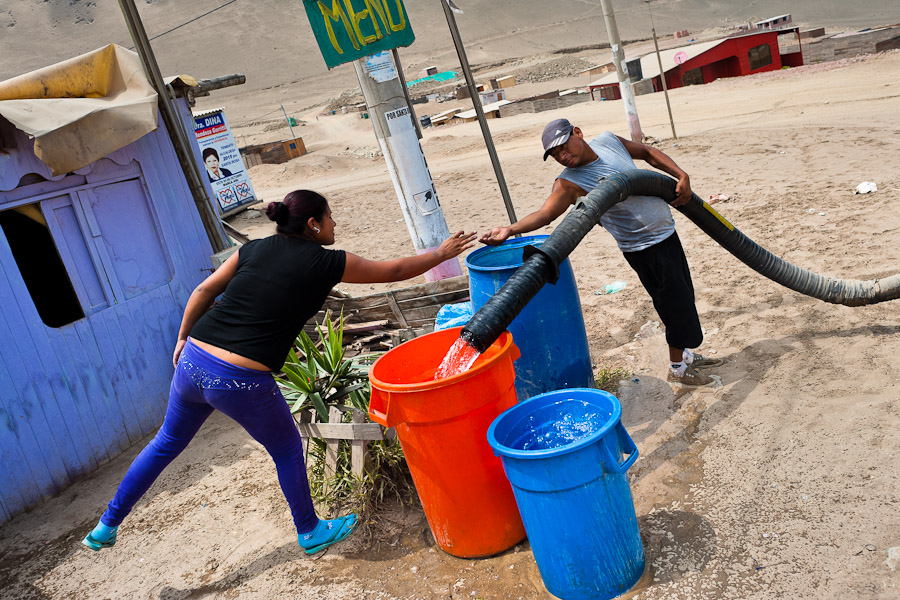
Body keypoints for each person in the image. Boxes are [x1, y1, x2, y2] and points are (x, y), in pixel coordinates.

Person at [82, 190, 476, 554]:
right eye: (331, 218)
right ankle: (310, 532)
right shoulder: (328, 261)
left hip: (193, 361)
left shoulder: (252, 249)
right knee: (286, 448)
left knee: (164, 443)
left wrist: (182, 339)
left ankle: (106, 525)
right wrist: (442, 254)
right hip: (240, 379)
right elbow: (393, 271)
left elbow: (203, 292)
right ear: (313, 225)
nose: (335, 225)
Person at [480, 118, 721, 386]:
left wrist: (681, 175)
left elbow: (647, 152)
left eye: (563, 146)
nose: (562, 155)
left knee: (684, 297)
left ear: (578, 133)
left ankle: (685, 356)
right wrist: (510, 229)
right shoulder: (568, 183)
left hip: (667, 235)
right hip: (643, 249)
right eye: (555, 154)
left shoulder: (609, 141)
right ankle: (677, 368)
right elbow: (545, 213)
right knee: (674, 305)